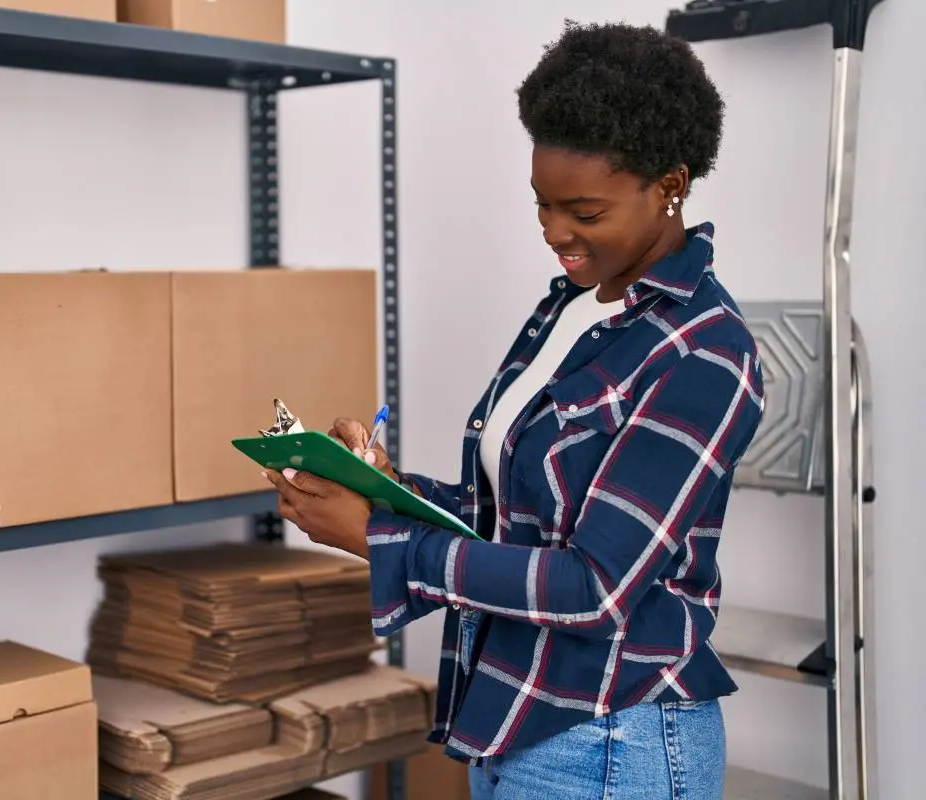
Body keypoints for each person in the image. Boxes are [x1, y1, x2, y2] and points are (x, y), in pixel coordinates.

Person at [264, 19, 765, 800]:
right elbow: (515, 516)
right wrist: (389, 493)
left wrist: (383, 540)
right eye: (542, 205)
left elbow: (593, 586)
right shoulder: (570, 310)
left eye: (584, 212)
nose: (555, 233)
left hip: (613, 738)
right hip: (515, 714)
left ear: (670, 185)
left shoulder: (705, 351)